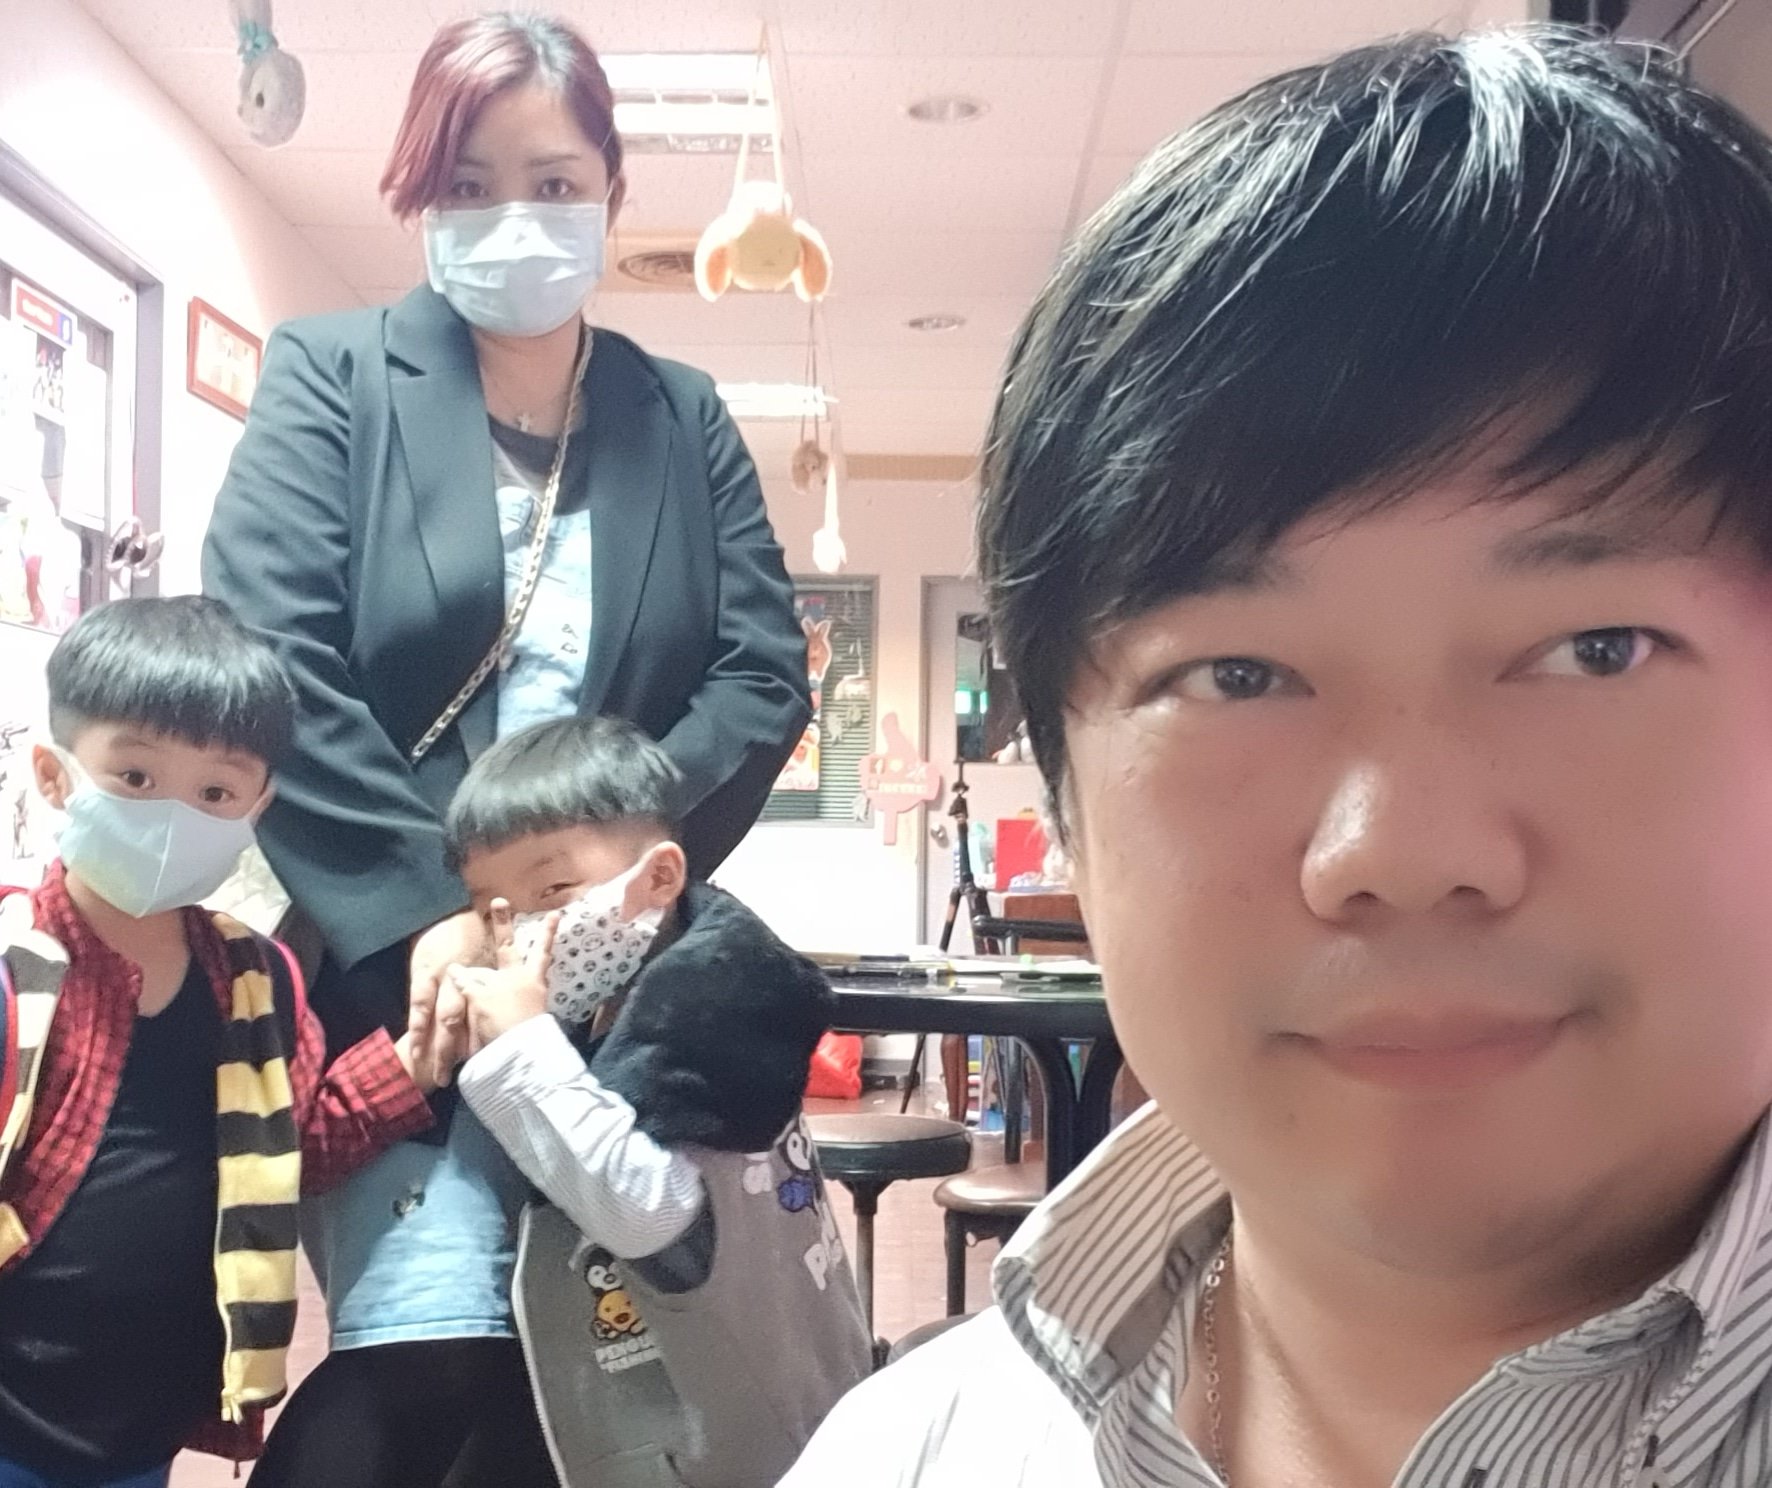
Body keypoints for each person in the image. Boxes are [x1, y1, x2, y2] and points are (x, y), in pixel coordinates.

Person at [784, 24, 1772, 1488]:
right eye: (1236, 675)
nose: (1402, 851)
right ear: (1067, 801)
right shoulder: (906, 1458)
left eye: (1594, 649)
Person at [200, 12, 809, 1485]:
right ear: (418, 193)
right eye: (466, 184)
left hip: (626, 971)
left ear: (610, 190)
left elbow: (759, 672)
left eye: (551, 181)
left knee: (611, 1366)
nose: (511, 217)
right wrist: (442, 913)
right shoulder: (334, 375)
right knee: (436, 1348)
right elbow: (275, 651)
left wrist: (604, 880)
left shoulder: (679, 413)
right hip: (406, 967)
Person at [0, 597, 440, 1488]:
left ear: (257, 806)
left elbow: (289, 1152)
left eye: (215, 793)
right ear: (54, 774)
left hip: (144, 1423)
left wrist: (417, 1062)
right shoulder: (15, 969)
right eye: (135, 776)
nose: (175, 815)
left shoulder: (258, 981)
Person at [433, 715, 871, 1486]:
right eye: (495, 909)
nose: (527, 929)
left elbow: (644, 1211)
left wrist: (519, 1048)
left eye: (554, 890)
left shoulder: (709, 1011)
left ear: (661, 877)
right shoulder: (633, 992)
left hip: (730, 1444)